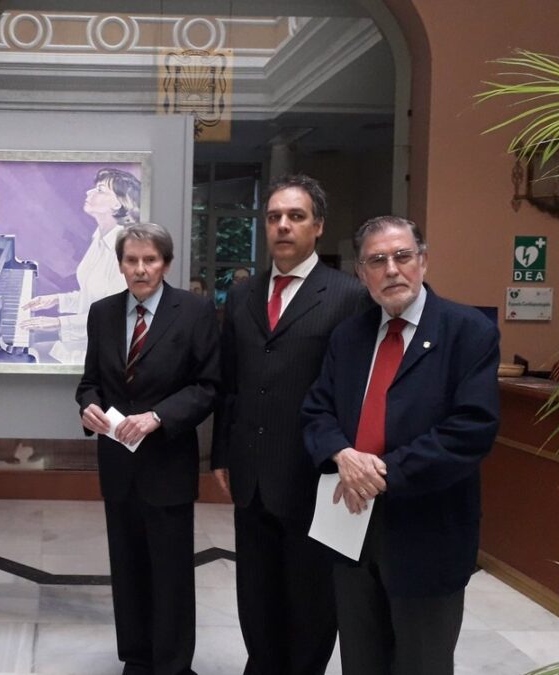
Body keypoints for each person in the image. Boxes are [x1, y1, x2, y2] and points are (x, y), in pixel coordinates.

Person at [301, 215, 500, 675]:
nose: (391, 270)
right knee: (361, 659)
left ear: (423, 261)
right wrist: (342, 454)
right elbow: (316, 411)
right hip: (351, 529)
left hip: (427, 531)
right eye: (376, 261)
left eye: (402, 256)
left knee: (421, 662)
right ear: (361, 273)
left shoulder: (467, 331)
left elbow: (470, 430)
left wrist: (379, 473)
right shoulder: (349, 336)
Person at [213, 174, 367, 675]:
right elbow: (230, 383)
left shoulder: (349, 297)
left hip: (313, 478)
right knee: (256, 598)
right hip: (251, 476)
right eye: (274, 216)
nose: (282, 225)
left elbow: (355, 393)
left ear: (318, 226)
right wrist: (221, 454)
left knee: (310, 603)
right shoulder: (242, 294)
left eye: (295, 217)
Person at [76, 223, 219, 675]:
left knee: (171, 573)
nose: (140, 269)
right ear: (120, 265)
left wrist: (158, 417)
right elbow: (90, 382)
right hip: (118, 464)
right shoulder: (102, 313)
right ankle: (136, 659)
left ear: (166, 264)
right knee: (128, 568)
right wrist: (88, 407)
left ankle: (173, 665)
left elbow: (208, 386)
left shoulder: (194, 311)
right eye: (132, 260)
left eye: (150, 260)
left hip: (168, 463)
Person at [22, 167, 140, 364]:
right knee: (28, 350)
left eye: (100, 190)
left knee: (28, 357)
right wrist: (56, 299)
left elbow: (114, 317)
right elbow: (93, 297)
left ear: (118, 203)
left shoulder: (126, 250)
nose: (89, 192)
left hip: (105, 355)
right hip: (85, 342)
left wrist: (58, 323)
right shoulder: (99, 237)